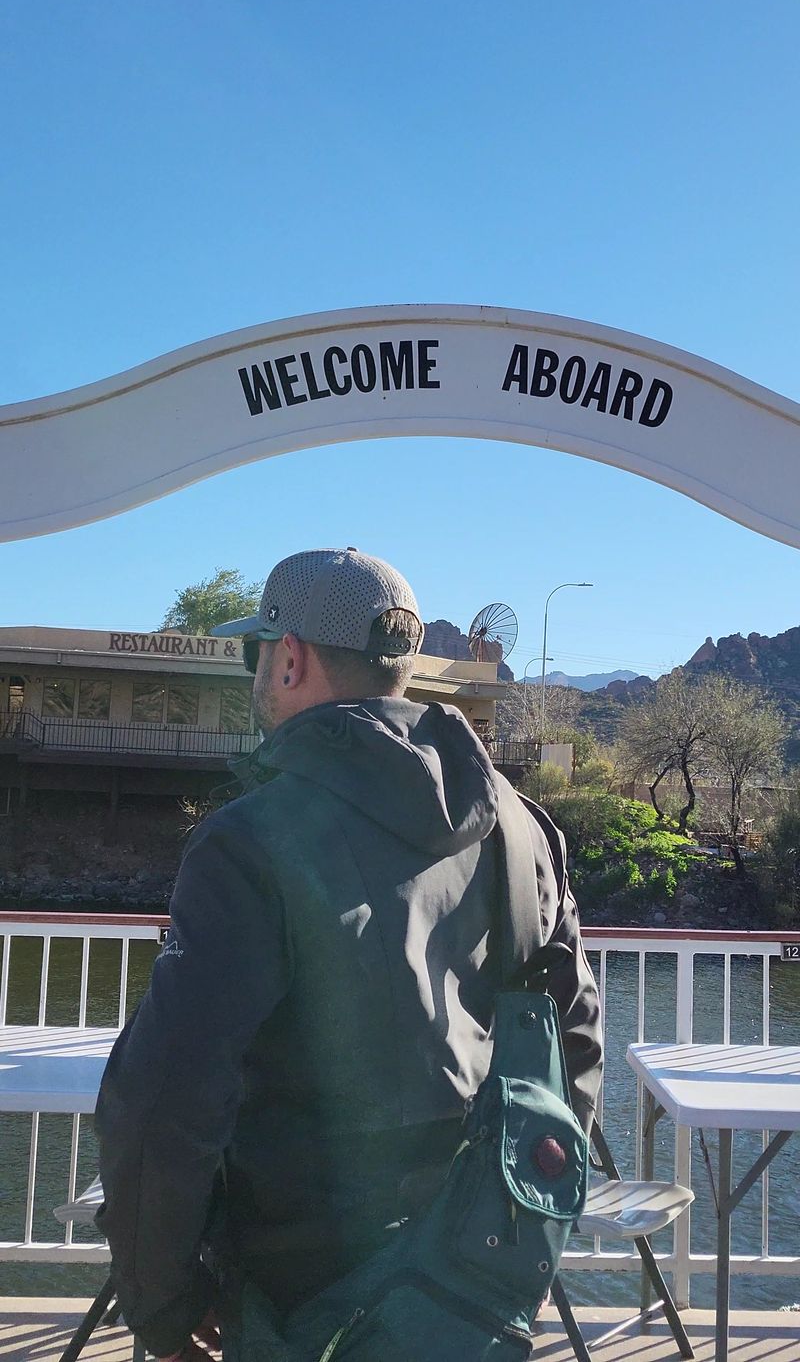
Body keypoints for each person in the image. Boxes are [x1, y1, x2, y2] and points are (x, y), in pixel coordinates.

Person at [95, 547, 602, 1361]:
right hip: (478, 1284)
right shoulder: (522, 828)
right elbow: (572, 1044)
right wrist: (531, 1237)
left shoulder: (250, 842)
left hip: (305, 1299)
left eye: (257, 650)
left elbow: (165, 1098)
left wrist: (161, 1302)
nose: (258, 669)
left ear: (290, 657)